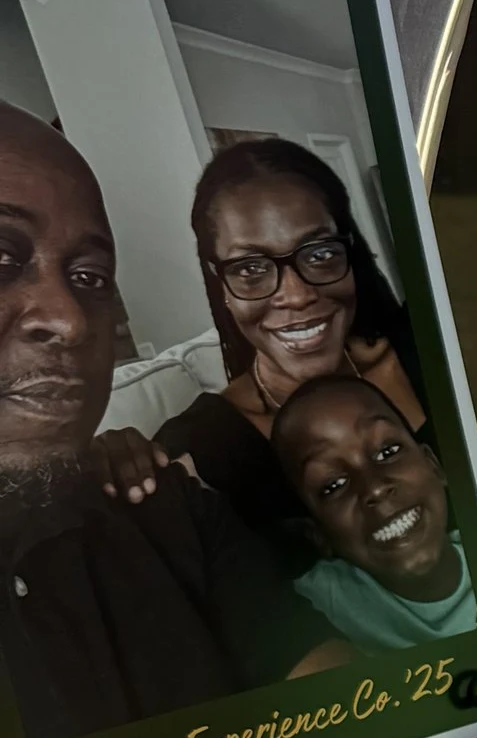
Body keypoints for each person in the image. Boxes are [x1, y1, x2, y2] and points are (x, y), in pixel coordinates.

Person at [0, 107, 345, 738]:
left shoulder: (166, 508)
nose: (71, 321)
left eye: (89, 278)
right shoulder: (198, 447)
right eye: (1, 256)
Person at [99, 137, 428, 548]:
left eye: (319, 253)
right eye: (251, 268)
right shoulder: (202, 450)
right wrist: (107, 472)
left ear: (349, 250)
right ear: (219, 281)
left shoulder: (429, 350)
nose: (297, 294)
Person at [273, 376, 477, 651]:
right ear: (319, 535)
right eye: (333, 485)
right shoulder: (308, 606)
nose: (375, 488)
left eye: (388, 451)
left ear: (433, 465)